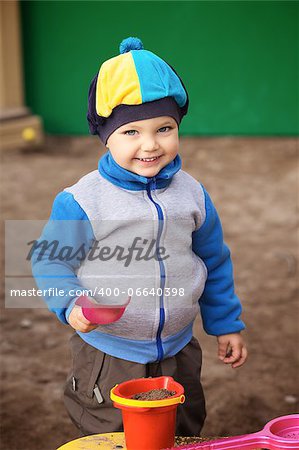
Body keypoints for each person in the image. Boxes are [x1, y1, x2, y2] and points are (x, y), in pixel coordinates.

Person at [31, 37, 248, 437]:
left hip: (179, 349)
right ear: (105, 136)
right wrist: (70, 301)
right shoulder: (82, 200)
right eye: (130, 131)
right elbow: (50, 259)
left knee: (181, 428)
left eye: (164, 128)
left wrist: (226, 323)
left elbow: (213, 260)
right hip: (110, 350)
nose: (150, 144)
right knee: (111, 433)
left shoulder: (193, 194)